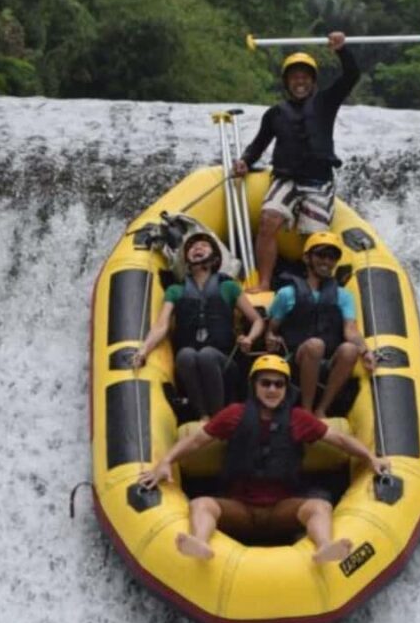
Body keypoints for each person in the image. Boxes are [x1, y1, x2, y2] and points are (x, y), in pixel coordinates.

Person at [137, 355, 389, 562]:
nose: (272, 389)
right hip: (240, 509)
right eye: (265, 383)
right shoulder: (234, 415)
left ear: (286, 389)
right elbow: (196, 440)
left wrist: (370, 457)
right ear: (254, 386)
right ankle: (200, 543)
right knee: (201, 504)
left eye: (278, 384)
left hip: (281, 510)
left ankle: (324, 547)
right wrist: (165, 461)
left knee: (320, 507)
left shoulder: (298, 418)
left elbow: (340, 440)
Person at [233, 31, 360, 293]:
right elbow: (258, 145)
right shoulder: (275, 113)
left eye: (304, 77)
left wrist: (341, 50)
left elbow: (351, 76)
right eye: (294, 78)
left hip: (318, 181)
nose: (299, 82)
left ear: (312, 81)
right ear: (287, 83)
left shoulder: (326, 102)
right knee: (268, 220)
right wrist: (245, 161)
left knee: (314, 241)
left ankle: (312, 290)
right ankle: (265, 283)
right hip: (285, 178)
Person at [133, 231, 264, 421]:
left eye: (203, 245)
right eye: (192, 247)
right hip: (192, 364)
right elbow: (161, 325)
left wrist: (249, 338)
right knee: (185, 354)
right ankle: (202, 415)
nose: (197, 248)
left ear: (214, 259)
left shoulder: (228, 287)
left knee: (207, 355)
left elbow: (257, 320)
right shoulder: (175, 291)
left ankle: (219, 416)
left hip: (225, 363)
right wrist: (143, 350)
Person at [265, 232, 375, 418]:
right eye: (321, 255)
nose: (326, 261)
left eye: (332, 257)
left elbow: (351, 330)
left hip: (327, 360)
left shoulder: (343, 296)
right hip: (295, 358)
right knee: (315, 345)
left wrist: (365, 351)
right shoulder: (287, 294)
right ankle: (306, 410)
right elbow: (271, 328)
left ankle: (322, 408)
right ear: (307, 258)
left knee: (349, 350)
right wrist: (270, 336)